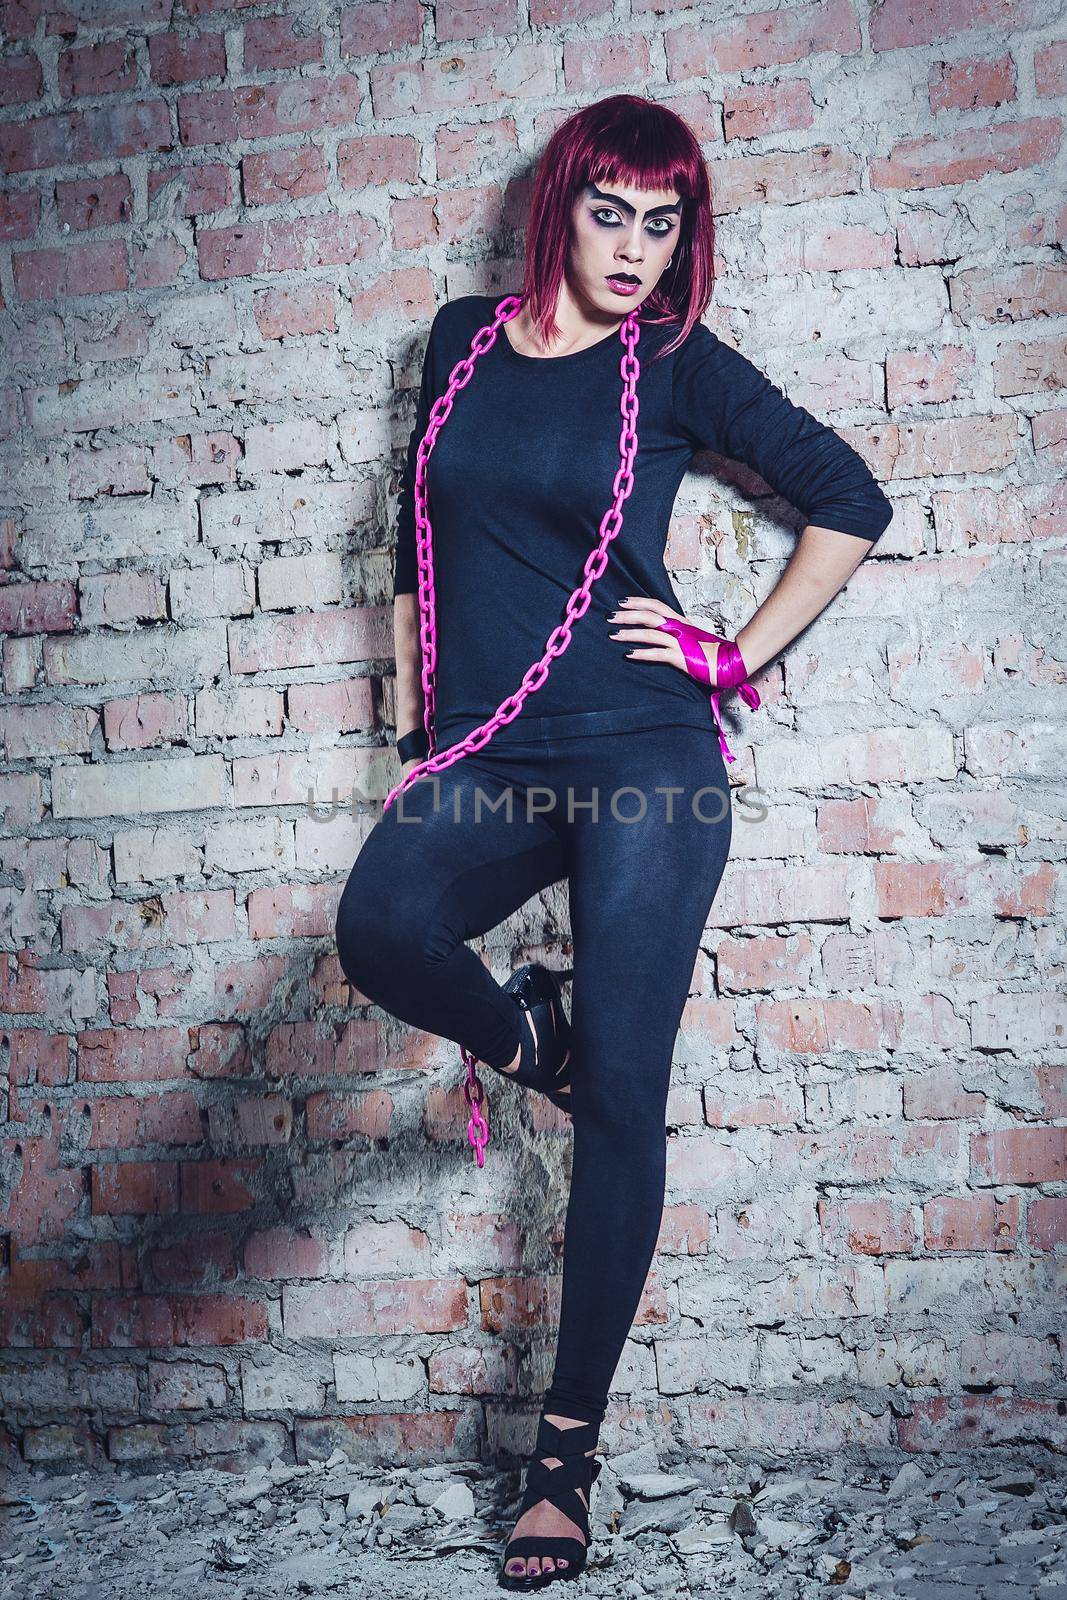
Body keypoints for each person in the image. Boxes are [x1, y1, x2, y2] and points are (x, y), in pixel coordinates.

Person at [334, 93, 893, 1590]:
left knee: (624, 1108)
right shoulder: (462, 344)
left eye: (667, 223)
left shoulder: (678, 365)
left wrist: (731, 653)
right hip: (495, 750)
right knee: (380, 927)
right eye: (612, 214)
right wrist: (416, 747)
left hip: (647, 760)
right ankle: (539, 1035)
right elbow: (416, 563)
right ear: (561, 209)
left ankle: (560, 1467)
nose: (638, 250)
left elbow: (851, 498)